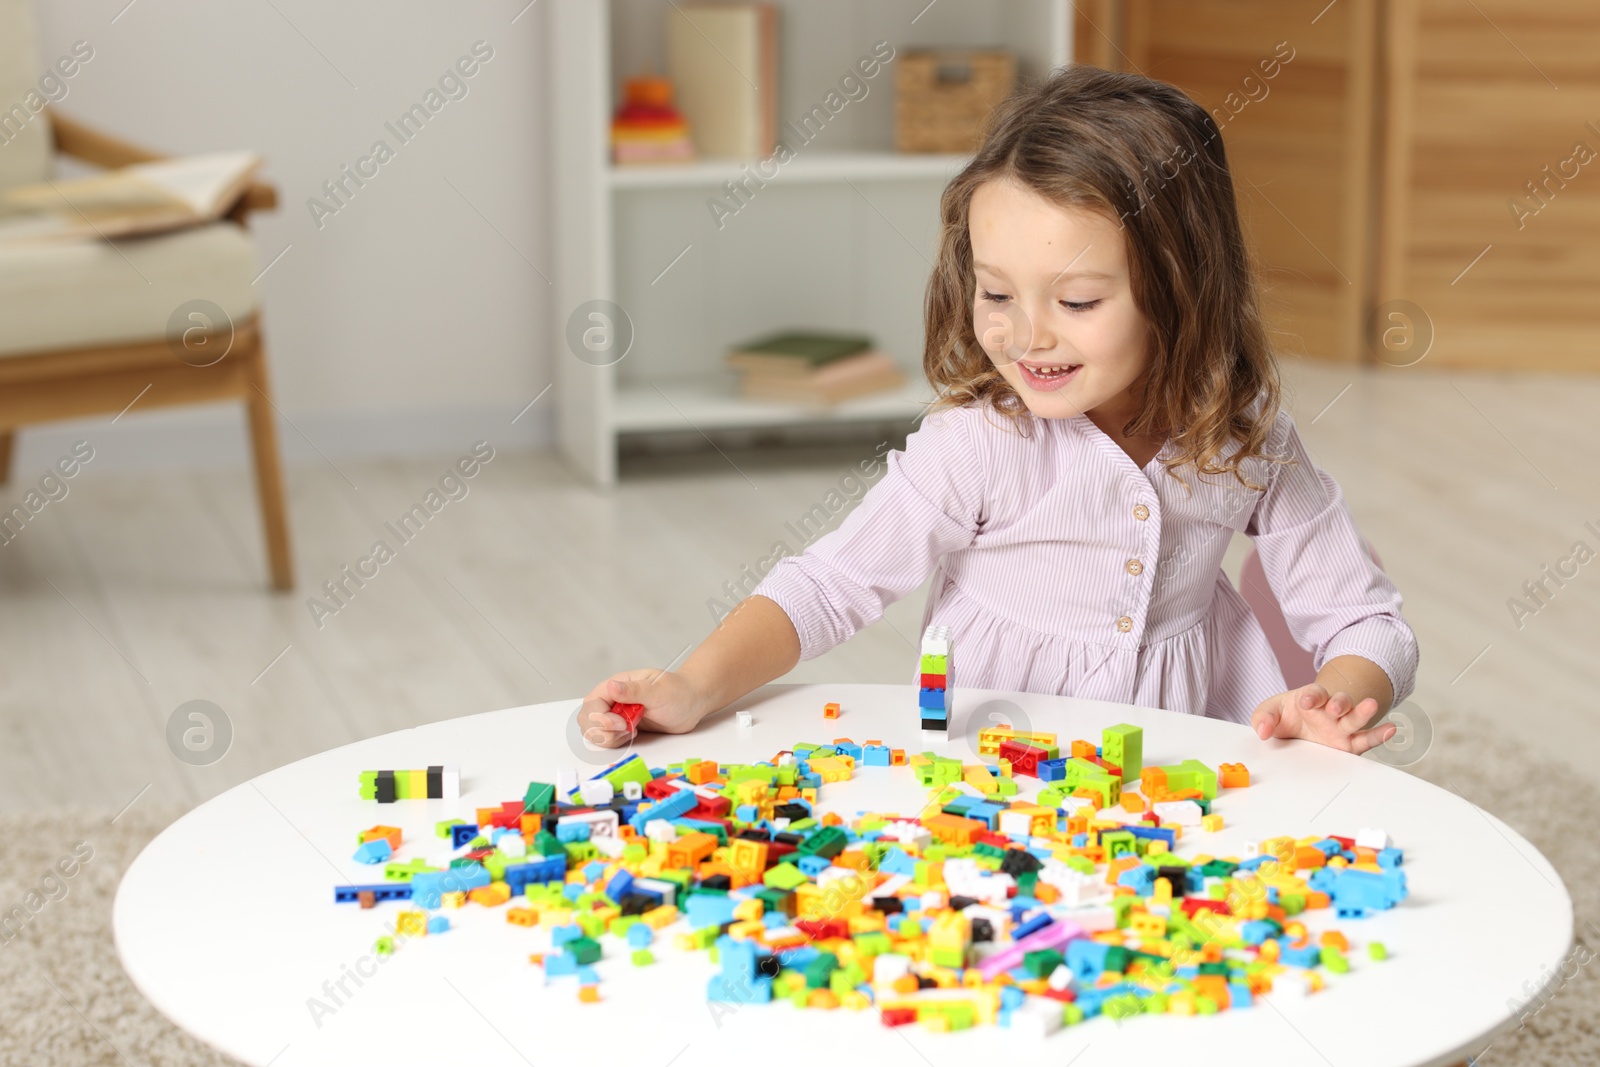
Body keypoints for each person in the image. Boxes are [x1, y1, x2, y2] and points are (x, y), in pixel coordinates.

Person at [578, 65, 1417, 755]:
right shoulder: (981, 441)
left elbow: (1364, 618)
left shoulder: (1244, 433)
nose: (1026, 335)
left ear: (1183, 289)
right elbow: (830, 585)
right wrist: (691, 685)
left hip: (1183, 760)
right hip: (992, 768)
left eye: (1079, 300)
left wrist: (1334, 700)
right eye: (997, 292)